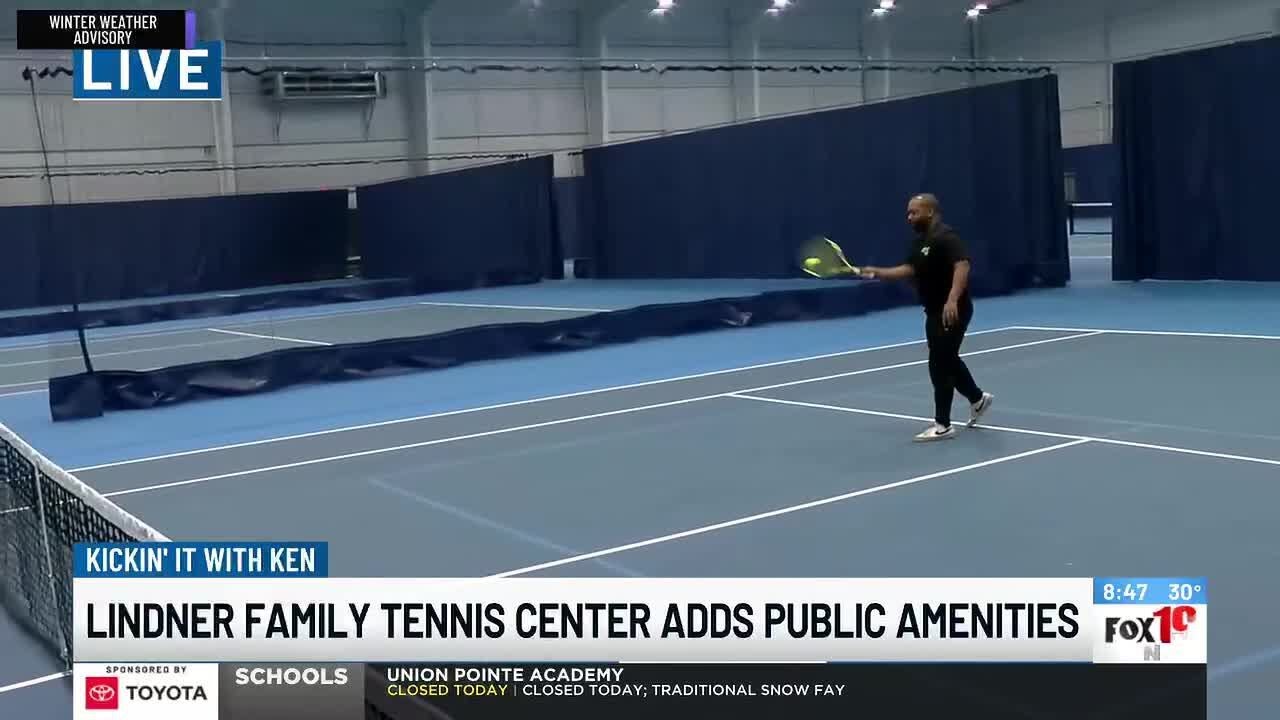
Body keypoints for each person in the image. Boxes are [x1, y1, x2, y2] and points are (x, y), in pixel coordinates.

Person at [858, 194, 994, 442]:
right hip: (933, 310)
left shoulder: (946, 236)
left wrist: (952, 299)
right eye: (908, 213)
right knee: (947, 359)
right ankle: (977, 398)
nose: (909, 218)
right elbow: (908, 270)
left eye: (914, 212)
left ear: (930, 212)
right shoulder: (921, 243)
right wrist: (878, 272)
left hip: (952, 310)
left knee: (939, 363)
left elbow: (962, 266)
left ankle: (943, 424)